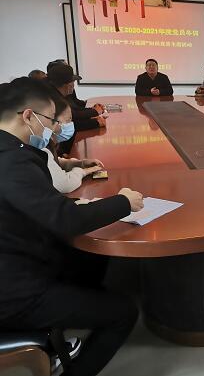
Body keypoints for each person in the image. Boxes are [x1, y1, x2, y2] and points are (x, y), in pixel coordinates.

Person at [0, 77, 144, 376]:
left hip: (20, 257)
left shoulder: (11, 151)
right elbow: (65, 220)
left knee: (91, 258)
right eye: (51, 120)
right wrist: (123, 202)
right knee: (124, 312)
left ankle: (75, 314)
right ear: (28, 116)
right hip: (14, 291)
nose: (54, 128)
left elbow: (39, 205)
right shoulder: (12, 161)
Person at [45, 93, 104, 193]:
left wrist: (80, 163)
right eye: (68, 120)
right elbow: (64, 184)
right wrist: (83, 171)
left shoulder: (48, 142)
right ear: (52, 121)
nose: (71, 124)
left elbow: (55, 162)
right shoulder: (41, 145)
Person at [47, 63, 107, 132]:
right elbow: (67, 126)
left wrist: (93, 112)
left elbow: (74, 113)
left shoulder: (55, 95)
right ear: (68, 85)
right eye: (73, 81)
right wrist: (96, 122)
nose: (74, 85)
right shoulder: (54, 101)